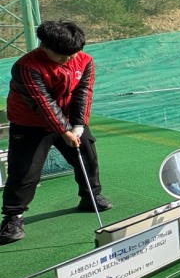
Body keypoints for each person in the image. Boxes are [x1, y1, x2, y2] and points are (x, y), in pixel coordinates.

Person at [0, 21, 113, 245]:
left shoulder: (84, 60)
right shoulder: (26, 67)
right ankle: (13, 217)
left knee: (87, 156)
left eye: (73, 53)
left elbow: (83, 92)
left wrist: (78, 126)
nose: (69, 59)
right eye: (62, 55)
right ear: (44, 46)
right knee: (25, 170)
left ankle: (90, 197)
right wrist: (64, 131)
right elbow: (43, 103)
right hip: (30, 124)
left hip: (69, 118)